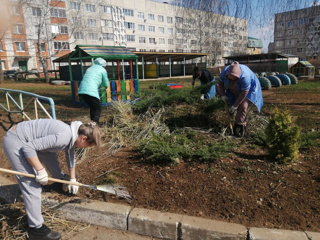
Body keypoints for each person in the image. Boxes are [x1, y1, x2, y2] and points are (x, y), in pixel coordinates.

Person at [2, 119, 102, 240]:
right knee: (32, 185)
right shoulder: (64, 136)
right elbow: (29, 148)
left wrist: (72, 179)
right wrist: (40, 170)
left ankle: (59, 181)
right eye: (88, 146)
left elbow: (71, 156)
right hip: (17, 141)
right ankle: (36, 229)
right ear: (84, 138)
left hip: (30, 140)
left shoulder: (73, 133)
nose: (86, 148)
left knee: (52, 157)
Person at [219, 61, 263, 137]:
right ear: (228, 75)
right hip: (234, 87)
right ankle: (235, 118)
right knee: (233, 100)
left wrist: (236, 105)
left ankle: (240, 125)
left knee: (243, 106)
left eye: (235, 78)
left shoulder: (245, 77)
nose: (233, 79)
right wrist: (223, 95)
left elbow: (244, 92)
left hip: (249, 88)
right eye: (231, 78)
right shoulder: (224, 73)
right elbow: (220, 83)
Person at [78, 57, 109, 124]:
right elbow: (105, 80)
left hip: (82, 90)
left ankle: (93, 122)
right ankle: (95, 123)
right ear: (103, 65)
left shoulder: (89, 68)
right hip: (90, 91)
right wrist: (106, 86)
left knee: (93, 107)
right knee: (97, 107)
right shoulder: (102, 70)